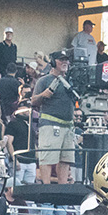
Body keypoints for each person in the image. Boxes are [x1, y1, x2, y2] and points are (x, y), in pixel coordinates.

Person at [31, 51, 75, 185]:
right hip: (50, 124)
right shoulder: (44, 80)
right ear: (52, 62)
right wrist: (44, 95)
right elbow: (33, 101)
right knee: (48, 156)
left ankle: (63, 186)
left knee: (66, 158)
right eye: (61, 60)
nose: (65, 62)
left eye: (66, 60)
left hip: (68, 125)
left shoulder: (71, 82)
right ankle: (46, 185)